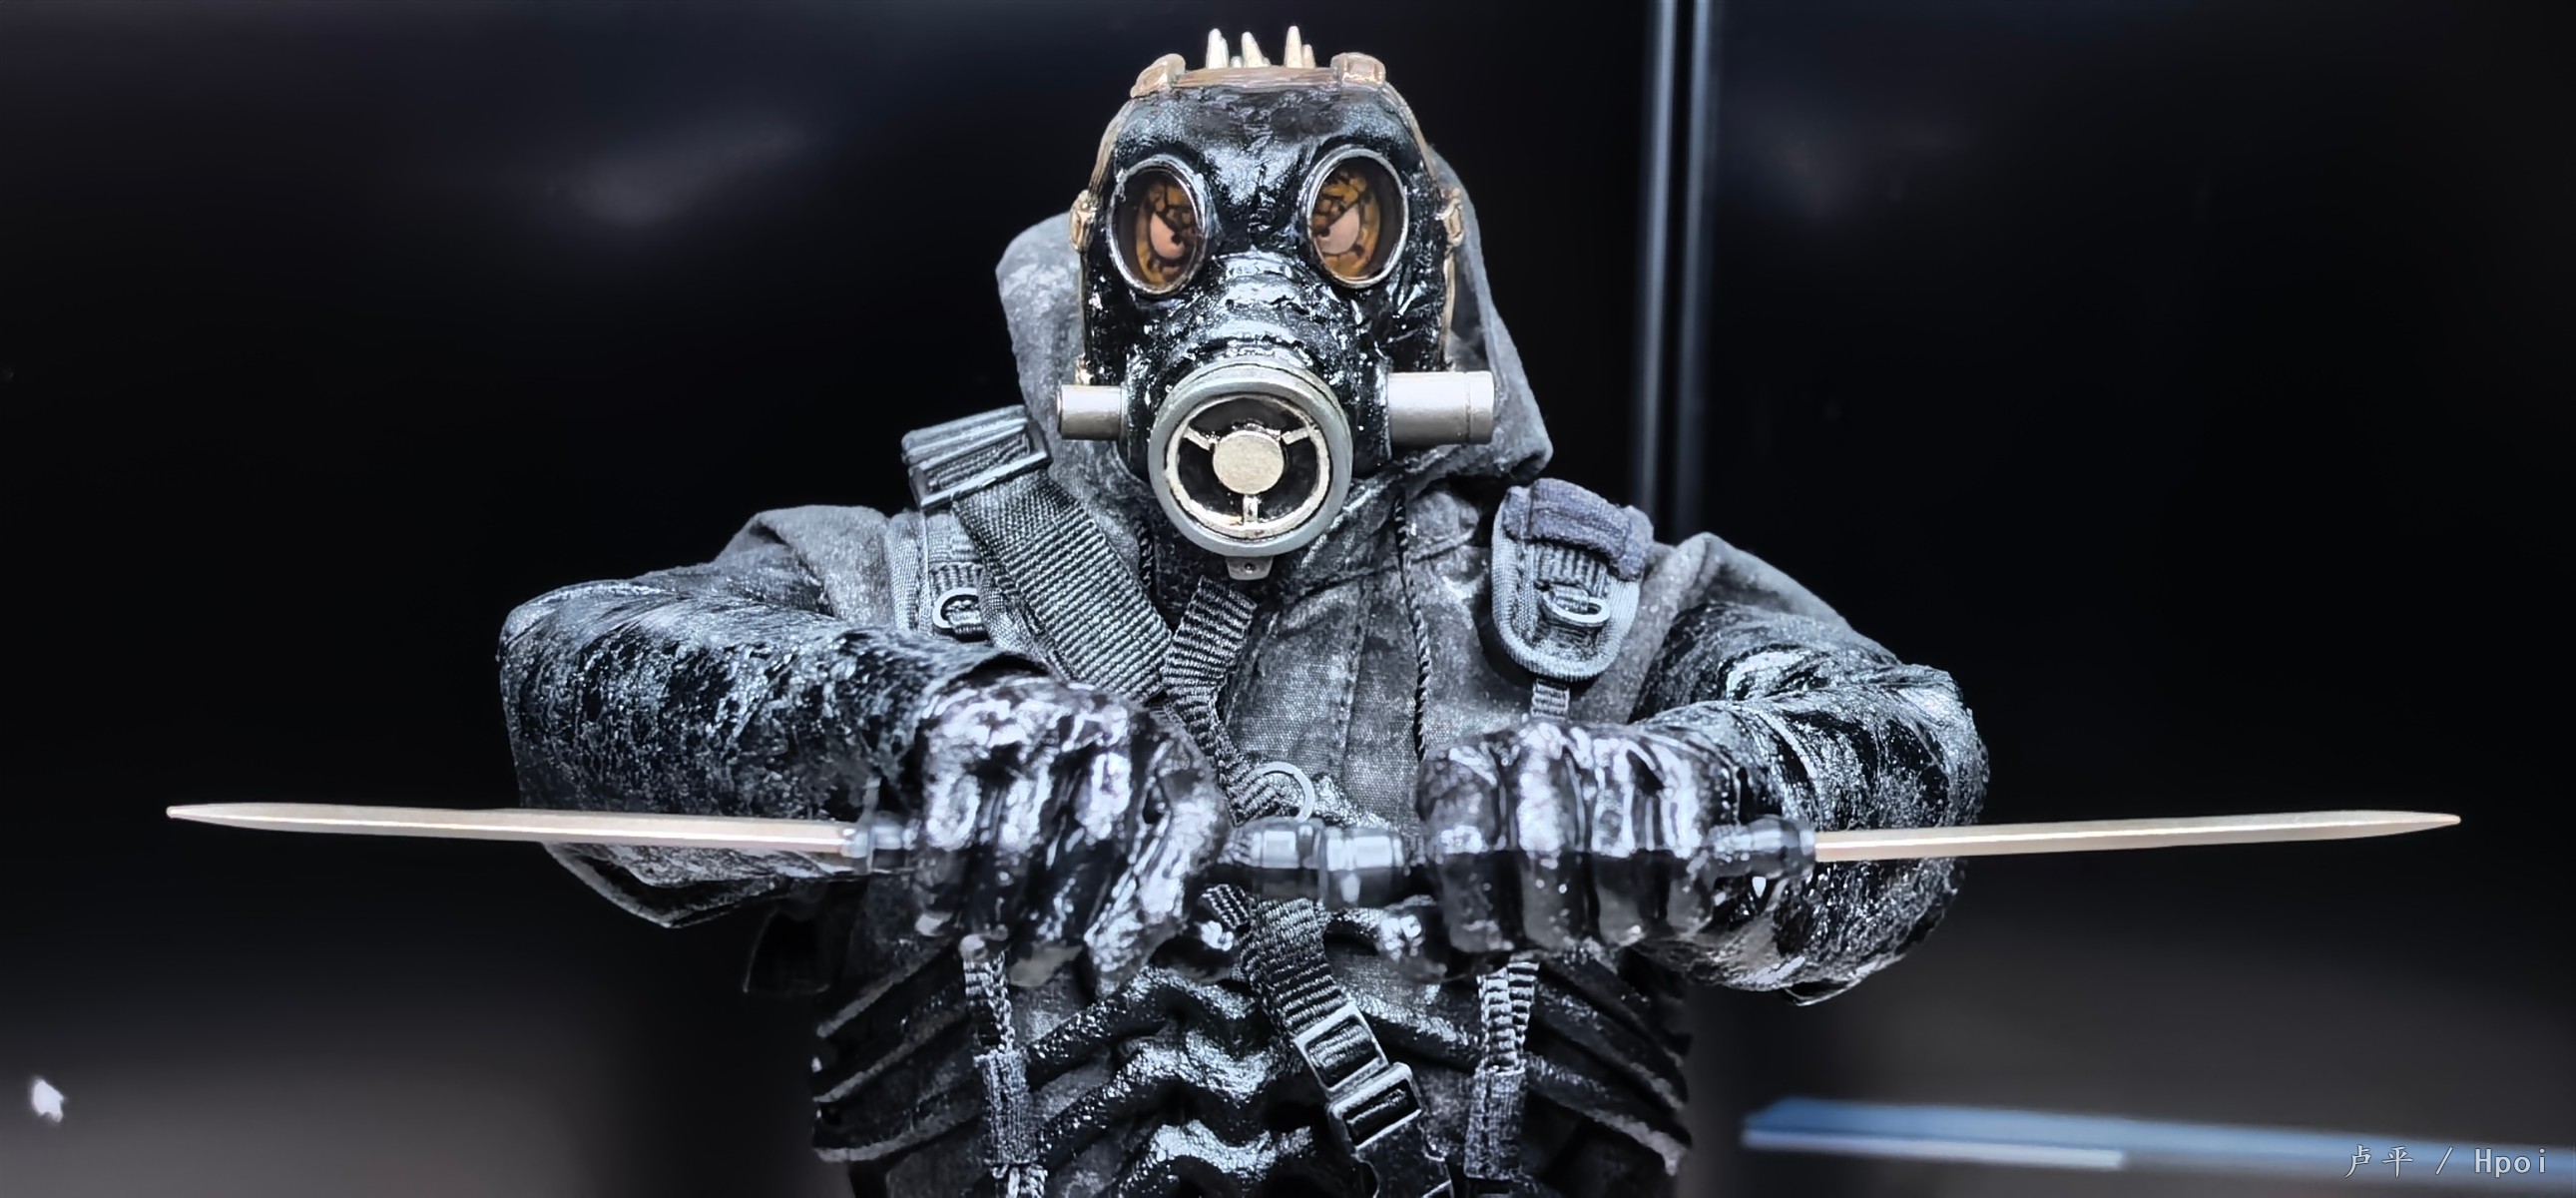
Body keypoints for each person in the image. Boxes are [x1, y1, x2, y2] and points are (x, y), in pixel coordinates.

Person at [498, 30, 1985, 1197]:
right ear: (1093, 289)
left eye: (1344, 226)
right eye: (1174, 234)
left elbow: (1908, 761)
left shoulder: (1600, 610)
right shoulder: (904, 586)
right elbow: (575, 673)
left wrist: (1696, 801)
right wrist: (906, 725)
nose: (1257, 289)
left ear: (1430, 284)